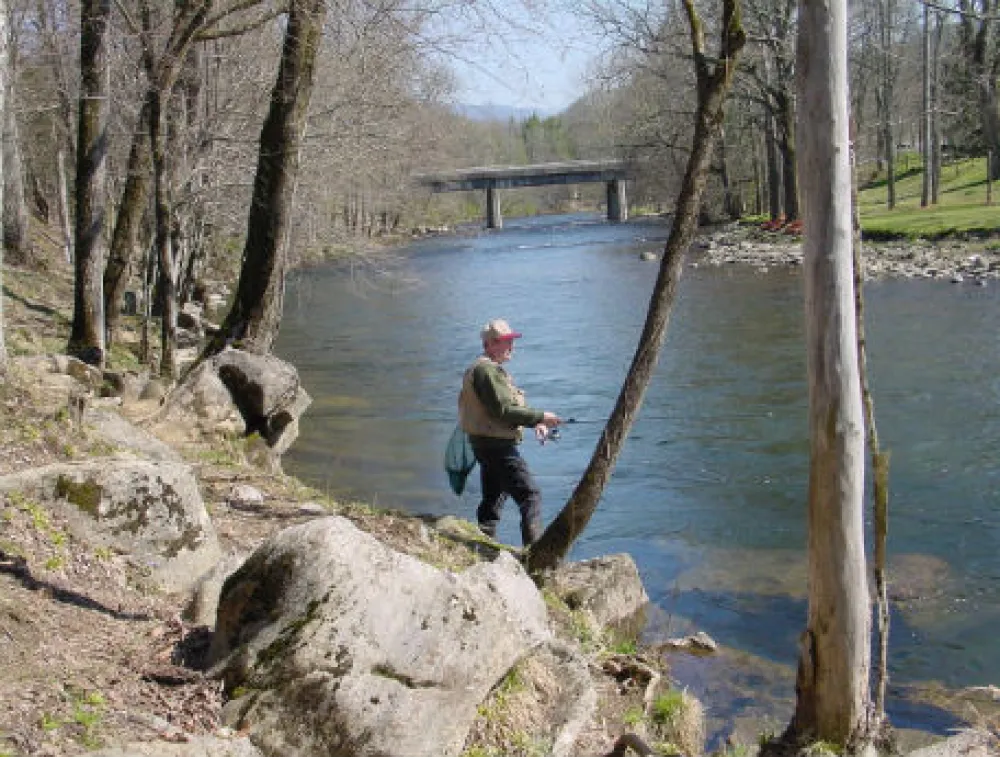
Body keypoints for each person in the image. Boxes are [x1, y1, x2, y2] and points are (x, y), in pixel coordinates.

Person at [458, 318, 561, 547]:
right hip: (497, 447)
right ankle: (534, 556)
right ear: (490, 344)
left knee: (493, 500)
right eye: (506, 342)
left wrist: (537, 423)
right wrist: (540, 416)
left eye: (511, 341)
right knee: (530, 496)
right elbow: (503, 410)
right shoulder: (486, 371)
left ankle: (484, 545)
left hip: (485, 445)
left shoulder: (485, 369)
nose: (512, 347)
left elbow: (504, 407)